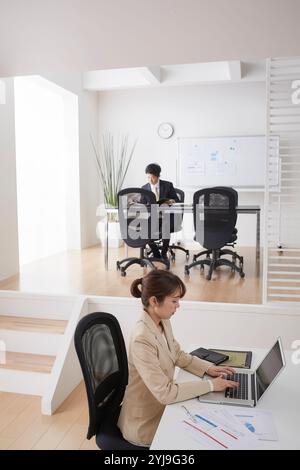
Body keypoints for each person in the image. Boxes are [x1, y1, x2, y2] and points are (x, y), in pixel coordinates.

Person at [117, 270, 239, 447]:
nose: (178, 305)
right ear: (154, 301)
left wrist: (208, 368)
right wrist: (211, 385)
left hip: (162, 407)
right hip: (145, 423)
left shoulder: (161, 320)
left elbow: (177, 354)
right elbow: (165, 393)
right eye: (174, 301)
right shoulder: (142, 338)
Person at [142, 163, 179, 260]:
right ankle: (156, 253)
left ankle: (163, 254)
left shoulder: (167, 185)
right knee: (144, 230)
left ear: (158, 176)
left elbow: (176, 200)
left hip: (165, 216)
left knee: (165, 228)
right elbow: (142, 204)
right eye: (148, 177)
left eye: (153, 177)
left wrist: (167, 202)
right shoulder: (144, 188)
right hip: (151, 218)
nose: (150, 180)